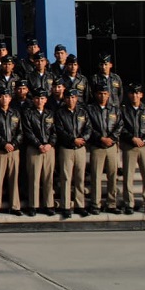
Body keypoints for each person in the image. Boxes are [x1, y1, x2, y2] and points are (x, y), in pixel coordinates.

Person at [120, 83, 145, 215]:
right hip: (130, 146)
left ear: (141, 95)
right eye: (132, 93)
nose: (134, 95)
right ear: (129, 95)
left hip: (144, 146)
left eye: (137, 93)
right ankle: (128, 203)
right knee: (128, 176)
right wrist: (132, 138)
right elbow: (120, 128)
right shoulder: (123, 110)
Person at [86, 83, 123, 215]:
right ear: (96, 95)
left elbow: (119, 126)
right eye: (100, 94)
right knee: (96, 176)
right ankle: (95, 204)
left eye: (105, 94)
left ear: (109, 95)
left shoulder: (115, 109)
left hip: (112, 146)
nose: (102, 96)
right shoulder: (90, 109)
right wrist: (101, 138)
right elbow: (88, 127)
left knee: (112, 175)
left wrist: (111, 138)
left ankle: (111, 203)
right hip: (97, 146)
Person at [55, 88, 92, 219]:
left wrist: (83, 139)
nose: (71, 100)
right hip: (66, 148)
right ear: (64, 99)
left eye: (73, 97)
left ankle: (79, 205)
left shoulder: (82, 112)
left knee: (80, 177)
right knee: (66, 178)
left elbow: (88, 128)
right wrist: (72, 140)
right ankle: (65, 206)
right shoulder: (60, 113)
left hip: (80, 148)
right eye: (68, 98)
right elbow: (59, 130)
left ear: (76, 98)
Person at [0, 87, 23, 216]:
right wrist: (4, 144)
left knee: (14, 178)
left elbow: (20, 132)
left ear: (10, 98)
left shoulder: (15, 113)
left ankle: (15, 206)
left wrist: (13, 144)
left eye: (6, 96)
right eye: (1, 96)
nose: (4, 99)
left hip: (14, 150)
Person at [22, 89, 56, 217]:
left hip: (49, 149)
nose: (39, 101)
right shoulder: (28, 113)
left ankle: (49, 204)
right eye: (37, 98)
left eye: (42, 98)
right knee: (34, 178)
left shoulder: (49, 114)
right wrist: (38, 144)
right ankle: (33, 205)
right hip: (34, 148)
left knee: (48, 178)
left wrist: (49, 144)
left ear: (46, 100)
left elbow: (54, 131)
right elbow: (28, 131)